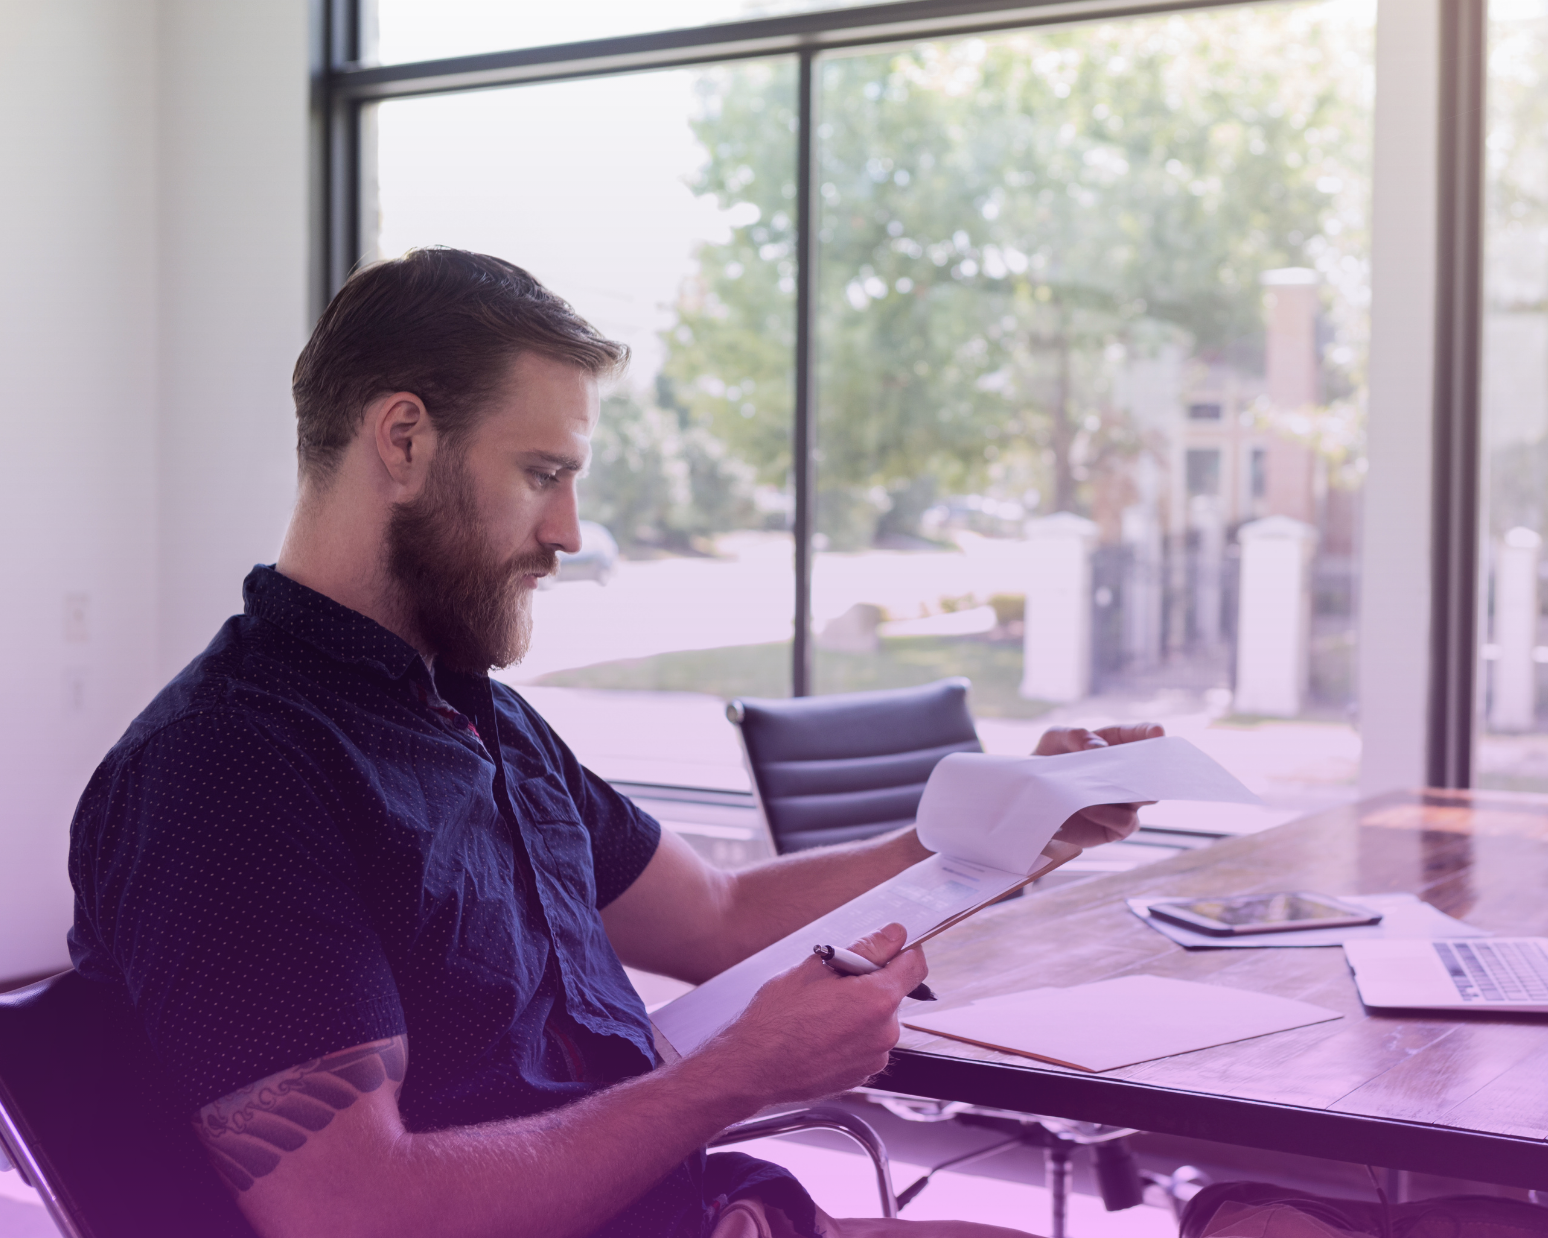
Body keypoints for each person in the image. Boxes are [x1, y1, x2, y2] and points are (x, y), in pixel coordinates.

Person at [67, 247, 1161, 1238]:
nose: (570, 533)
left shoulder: (475, 716)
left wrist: (1015, 830)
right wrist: (731, 1077)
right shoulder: (228, 771)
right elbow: (357, 1211)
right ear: (402, 440)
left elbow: (719, 917)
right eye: (542, 473)